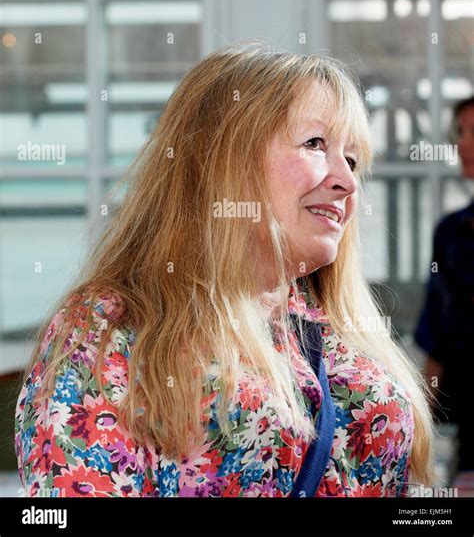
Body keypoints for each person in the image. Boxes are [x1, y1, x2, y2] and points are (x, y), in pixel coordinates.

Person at [15, 41, 434, 497]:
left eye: (352, 160)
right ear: (222, 159)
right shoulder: (114, 326)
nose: (348, 182)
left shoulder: (332, 324)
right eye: (315, 143)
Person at [415, 95, 474, 472]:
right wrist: (420, 436)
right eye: (460, 132)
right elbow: (436, 335)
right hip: (467, 427)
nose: (462, 143)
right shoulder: (452, 233)